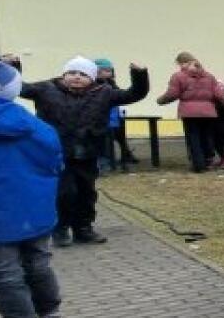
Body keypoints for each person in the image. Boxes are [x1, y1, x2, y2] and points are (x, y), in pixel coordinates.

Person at [19, 55, 149, 246]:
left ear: (92, 77)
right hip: (56, 152)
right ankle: (61, 228)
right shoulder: (46, 89)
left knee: (86, 192)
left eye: (83, 74)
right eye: (71, 72)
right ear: (64, 75)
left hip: (87, 151)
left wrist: (139, 74)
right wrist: (11, 66)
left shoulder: (104, 92)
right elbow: (19, 87)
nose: (76, 77)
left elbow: (135, 94)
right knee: (64, 193)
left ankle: (83, 228)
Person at [0, 59, 64, 318]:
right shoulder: (37, 126)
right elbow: (55, 163)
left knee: (6, 275)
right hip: (37, 212)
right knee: (39, 266)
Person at [155, 53, 224, 173]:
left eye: (179, 64)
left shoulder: (178, 76)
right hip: (208, 112)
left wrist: (160, 101)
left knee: (193, 138)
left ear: (183, 63)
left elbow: (172, 94)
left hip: (189, 113)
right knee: (207, 136)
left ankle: (198, 165)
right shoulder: (209, 76)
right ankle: (208, 161)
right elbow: (219, 95)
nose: (179, 67)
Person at [94, 58, 139, 170]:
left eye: (110, 70)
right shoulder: (94, 84)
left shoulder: (111, 84)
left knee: (120, 137)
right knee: (105, 140)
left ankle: (125, 155)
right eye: (105, 70)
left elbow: (120, 96)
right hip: (102, 119)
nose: (108, 73)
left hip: (114, 116)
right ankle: (106, 161)